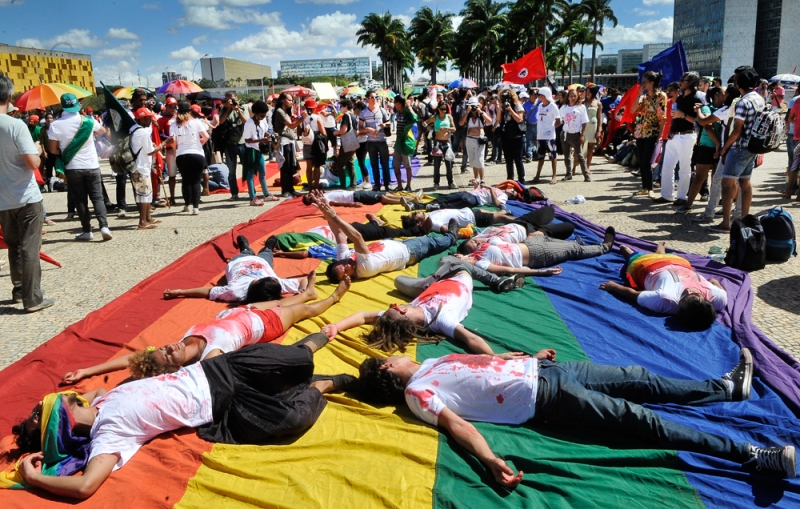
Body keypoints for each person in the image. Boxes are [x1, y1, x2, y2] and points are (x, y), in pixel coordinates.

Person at [357, 348, 795, 490]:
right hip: (547, 396)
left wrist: (524, 356)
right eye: (388, 356)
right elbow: (458, 425)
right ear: (387, 369)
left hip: (547, 369)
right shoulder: (417, 392)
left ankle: (724, 390)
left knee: (638, 378)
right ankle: (751, 455)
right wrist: (489, 461)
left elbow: (480, 362)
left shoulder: (432, 361)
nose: (396, 352)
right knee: (645, 422)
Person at [15, 334, 357, 500]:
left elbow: (93, 392)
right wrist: (35, 477)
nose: (42, 402)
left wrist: (86, 378)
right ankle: (328, 384)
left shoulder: (103, 399)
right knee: (290, 420)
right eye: (38, 413)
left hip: (219, 368)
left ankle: (324, 335)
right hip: (223, 404)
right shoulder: (109, 434)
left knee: (299, 360)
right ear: (58, 426)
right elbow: (85, 486)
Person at [64, 275, 349, 384]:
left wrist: (88, 370)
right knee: (303, 311)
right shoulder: (210, 356)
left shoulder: (178, 344)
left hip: (242, 312)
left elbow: (133, 358)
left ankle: (307, 292)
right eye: (170, 355)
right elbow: (221, 376)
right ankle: (334, 297)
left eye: (163, 348)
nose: (170, 347)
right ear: (174, 367)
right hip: (264, 325)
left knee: (281, 301)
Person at [323, 268, 511, 354]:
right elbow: (471, 339)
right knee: (458, 259)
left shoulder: (397, 317)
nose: (394, 304)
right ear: (403, 313)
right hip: (458, 273)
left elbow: (364, 316)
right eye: (395, 307)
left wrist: (336, 327)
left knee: (399, 281)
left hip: (431, 284)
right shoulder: (442, 319)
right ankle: (494, 279)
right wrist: (494, 358)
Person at [314, 194, 460, 282]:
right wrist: (334, 217)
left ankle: (435, 231)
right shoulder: (363, 268)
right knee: (432, 242)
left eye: (342, 264)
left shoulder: (344, 259)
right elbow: (357, 237)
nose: (347, 266)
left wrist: (326, 213)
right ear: (348, 277)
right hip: (408, 252)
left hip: (395, 244)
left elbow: (339, 234)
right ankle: (451, 237)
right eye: (345, 271)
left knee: (401, 234)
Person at [0, 75, 53, 312]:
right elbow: (32, 164)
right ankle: (33, 298)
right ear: (10, 96)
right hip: (25, 195)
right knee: (29, 247)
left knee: (13, 245)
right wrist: (38, 151)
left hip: (3, 199)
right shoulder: (15, 125)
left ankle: (19, 290)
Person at [599, 242, 726, 330]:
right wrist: (711, 282)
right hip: (679, 263)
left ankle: (630, 253)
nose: (689, 291)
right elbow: (714, 281)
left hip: (647, 264)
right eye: (697, 295)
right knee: (662, 255)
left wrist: (614, 287)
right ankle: (660, 251)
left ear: (680, 308)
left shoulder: (665, 299)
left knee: (632, 256)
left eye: (687, 296)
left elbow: (633, 295)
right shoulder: (718, 299)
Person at [163, 233, 313, 303]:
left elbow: (208, 291)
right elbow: (303, 280)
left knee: (246, 252)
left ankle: (246, 248)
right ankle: (268, 246)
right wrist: (303, 291)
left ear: (256, 284)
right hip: (263, 262)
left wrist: (180, 292)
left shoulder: (235, 291)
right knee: (267, 253)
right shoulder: (275, 285)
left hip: (239, 262)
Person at [48, 93, 111, 241]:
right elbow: (102, 131)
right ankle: (104, 227)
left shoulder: (55, 125)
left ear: (62, 106)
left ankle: (87, 231)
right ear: (77, 104)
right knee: (98, 198)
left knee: (81, 200)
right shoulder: (88, 121)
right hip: (92, 165)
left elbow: (53, 149)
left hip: (72, 166)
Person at [708, 68, 764, 233]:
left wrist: (725, 148)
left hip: (739, 147)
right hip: (753, 146)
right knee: (745, 183)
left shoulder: (742, 102)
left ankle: (726, 223)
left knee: (727, 184)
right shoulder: (759, 99)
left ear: (739, 84)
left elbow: (737, 129)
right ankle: (744, 220)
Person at [457, 226, 615, 275]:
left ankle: (580, 244)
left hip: (531, 243)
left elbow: (505, 237)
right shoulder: (480, 263)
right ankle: (605, 247)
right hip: (536, 255)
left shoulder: (484, 245)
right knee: (573, 249)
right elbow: (509, 270)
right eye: (471, 244)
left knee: (561, 240)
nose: (475, 242)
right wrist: (541, 272)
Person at [653, 72, 703, 205]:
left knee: (684, 168)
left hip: (687, 135)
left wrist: (684, 115)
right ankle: (667, 195)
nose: (681, 82)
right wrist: (671, 130)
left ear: (691, 83)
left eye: (684, 80)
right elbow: (675, 116)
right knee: (667, 166)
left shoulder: (696, 99)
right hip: (674, 135)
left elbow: (699, 121)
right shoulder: (680, 98)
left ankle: (682, 196)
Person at [682, 87, 725, 214]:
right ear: (717, 94)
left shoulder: (725, 108)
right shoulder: (707, 108)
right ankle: (688, 205)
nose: (726, 94)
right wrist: (718, 143)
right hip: (707, 146)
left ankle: (711, 206)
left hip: (721, 147)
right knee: (699, 177)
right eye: (724, 92)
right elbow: (707, 125)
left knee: (716, 179)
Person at [129, 108, 167, 229]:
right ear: (142, 118)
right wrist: (163, 144)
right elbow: (150, 151)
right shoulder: (142, 132)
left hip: (138, 166)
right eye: (149, 118)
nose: (151, 120)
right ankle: (142, 222)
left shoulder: (133, 129)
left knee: (146, 194)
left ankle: (148, 218)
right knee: (143, 195)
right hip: (141, 167)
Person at [631, 71, 667, 196]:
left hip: (652, 132)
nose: (642, 84)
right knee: (642, 161)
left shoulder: (661, 96)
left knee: (647, 161)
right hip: (640, 132)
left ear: (651, 83)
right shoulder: (644, 97)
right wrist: (638, 95)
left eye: (644, 82)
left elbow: (662, 118)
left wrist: (660, 136)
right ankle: (645, 187)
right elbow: (633, 110)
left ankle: (650, 188)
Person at [170, 101, 209, 215]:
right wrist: (200, 142)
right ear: (189, 111)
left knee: (186, 180)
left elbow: (173, 141)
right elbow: (206, 136)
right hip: (197, 153)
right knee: (196, 180)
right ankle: (196, 207)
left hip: (182, 154)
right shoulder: (196, 122)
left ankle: (187, 204)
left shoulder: (173, 124)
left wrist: (176, 149)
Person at [242, 100, 278, 207]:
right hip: (251, 150)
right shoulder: (249, 123)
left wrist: (269, 135)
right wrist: (261, 140)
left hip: (259, 150)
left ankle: (266, 194)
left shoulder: (263, 121)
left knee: (263, 172)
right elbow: (247, 140)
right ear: (256, 113)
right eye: (261, 115)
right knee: (250, 174)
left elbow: (265, 131)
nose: (263, 117)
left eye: (264, 115)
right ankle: (252, 197)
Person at [401, 181, 515, 211]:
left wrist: (490, 189)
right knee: (444, 199)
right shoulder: (498, 189)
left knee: (448, 205)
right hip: (469, 193)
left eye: (512, 192)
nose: (510, 190)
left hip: (474, 199)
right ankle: (415, 206)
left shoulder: (504, 196)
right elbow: (479, 191)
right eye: (512, 190)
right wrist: (476, 185)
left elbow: (497, 203)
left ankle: (420, 207)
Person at [271, 92, 303, 198]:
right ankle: (285, 190)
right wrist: (302, 119)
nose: (291, 102)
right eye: (289, 100)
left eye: (292, 100)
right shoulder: (279, 111)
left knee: (290, 167)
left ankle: (290, 189)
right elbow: (291, 126)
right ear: (282, 100)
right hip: (284, 142)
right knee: (285, 166)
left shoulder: (285, 111)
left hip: (289, 141)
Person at [359, 90, 391, 191]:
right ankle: (377, 185)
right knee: (374, 165)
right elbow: (360, 129)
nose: (374, 99)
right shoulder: (364, 113)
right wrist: (368, 129)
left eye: (376, 97)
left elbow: (389, 122)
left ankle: (387, 185)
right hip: (371, 142)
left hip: (382, 141)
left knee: (385, 164)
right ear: (367, 99)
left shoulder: (382, 110)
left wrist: (384, 125)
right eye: (372, 97)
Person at [401, 206, 516, 234]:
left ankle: (505, 210)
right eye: (415, 214)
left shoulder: (429, 215)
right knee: (502, 218)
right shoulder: (433, 223)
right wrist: (460, 233)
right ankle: (522, 221)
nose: (416, 211)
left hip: (467, 212)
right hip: (472, 218)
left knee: (495, 213)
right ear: (418, 223)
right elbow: (447, 230)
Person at [217, 91, 247, 200]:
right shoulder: (224, 109)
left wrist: (237, 109)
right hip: (229, 144)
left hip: (242, 142)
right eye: (227, 99)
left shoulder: (242, 108)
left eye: (232, 99)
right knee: (231, 171)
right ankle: (234, 193)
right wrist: (229, 108)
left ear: (236, 98)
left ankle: (251, 190)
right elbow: (221, 121)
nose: (230, 101)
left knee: (247, 168)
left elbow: (246, 121)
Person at [423, 100, 456, 189]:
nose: (443, 111)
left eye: (445, 109)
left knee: (449, 164)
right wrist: (428, 127)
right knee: (437, 165)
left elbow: (454, 129)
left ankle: (450, 182)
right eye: (442, 109)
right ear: (438, 109)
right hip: (437, 142)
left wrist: (447, 128)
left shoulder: (449, 117)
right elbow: (424, 122)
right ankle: (436, 183)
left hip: (447, 142)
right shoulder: (435, 117)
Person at [532, 88, 562, 185]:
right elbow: (539, 120)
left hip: (550, 136)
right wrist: (537, 133)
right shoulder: (540, 106)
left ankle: (554, 176)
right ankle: (537, 176)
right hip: (540, 136)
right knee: (540, 156)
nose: (538, 97)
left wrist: (551, 128)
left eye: (540, 95)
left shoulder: (553, 106)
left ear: (545, 95)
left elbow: (559, 121)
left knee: (552, 156)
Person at [559, 88, 590, 182]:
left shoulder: (581, 107)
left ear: (577, 97)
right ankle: (568, 174)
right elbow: (560, 120)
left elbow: (584, 122)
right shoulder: (564, 108)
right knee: (566, 155)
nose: (572, 98)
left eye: (574, 96)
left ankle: (586, 174)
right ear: (568, 97)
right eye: (571, 96)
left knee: (579, 155)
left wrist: (582, 135)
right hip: (565, 133)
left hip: (576, 134)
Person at [460, 97, 492, 183]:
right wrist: (467, 112)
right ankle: (476, 178)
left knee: (480, 159)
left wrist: (480, 112)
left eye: (475, 106)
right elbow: (461, 123)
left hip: (480, 139)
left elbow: (489, 121)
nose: (473, 108)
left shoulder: (481, 114)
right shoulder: (467, 115)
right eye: (472, 106)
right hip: (470, 139)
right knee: (473, 160)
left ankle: (482, 179)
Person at [497, 88, 526, 182]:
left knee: (518, 159)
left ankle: (521, 179)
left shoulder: (517, 105)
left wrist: (510, 109)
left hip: (517, 136)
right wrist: (499, 108)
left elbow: (519, 119)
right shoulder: (502, 107)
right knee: (508, 159)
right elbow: (498, 120)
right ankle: (510, 178)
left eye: (508, 97)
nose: (506, 100)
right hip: (506, 135)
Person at [392, 96, 418, 191]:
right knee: (395, 165)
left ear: (399, 103)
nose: (394, 104)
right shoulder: (399, 112)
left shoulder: (407, 111)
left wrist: (409, 107)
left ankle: (408, 186)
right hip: (399, 142)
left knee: (408, 166)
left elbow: (415, 117)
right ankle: (399, 185)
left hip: (407, 142)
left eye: (395, 102)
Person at [301, 98, 327, 190]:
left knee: (308, 166)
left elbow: (299, 132)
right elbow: (323, 133)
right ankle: (316, 187)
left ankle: (310, 187)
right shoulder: (317, 117)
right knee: (317, 166)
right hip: (316, 143)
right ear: (314, 108)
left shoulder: (302, 118)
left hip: (307, 143)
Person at [157, 97, 178, 205]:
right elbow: (161, 134)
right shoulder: (161, 120)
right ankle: (172, 197)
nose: (173, 108)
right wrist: (170, 138)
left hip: (181, 148)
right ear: (166, 107)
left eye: (174, 106)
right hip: (170, 149)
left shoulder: (179, 117)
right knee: (172, 174)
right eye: (170, 106)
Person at [333, 98, 358, 189]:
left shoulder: (346, 115)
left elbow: (344, 130)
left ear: (346, 106)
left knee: (340, 164)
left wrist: (336, 132)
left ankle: (343, 185)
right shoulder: (353, 115)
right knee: (350, 163)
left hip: (347, 143)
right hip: (354, 142)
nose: (340, 109)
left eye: (341, 107)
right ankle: (353, 184)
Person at [301, 189, 406, 207]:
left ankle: (408, 199)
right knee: (382, 198)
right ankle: (404, 201)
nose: (311, 195)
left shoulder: (324, 195)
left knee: (384, 194)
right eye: (310, 197)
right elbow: (336, 203)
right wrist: (351, 204)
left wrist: (315, 194)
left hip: (355, 193)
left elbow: (316, 190)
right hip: (355, 197)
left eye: (309, 194)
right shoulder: (323, 202)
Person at [582, 85, 603, 171]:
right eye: (586, 92)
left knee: (590, 148)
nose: (587, 94)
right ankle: (575, 166)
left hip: (593, 127)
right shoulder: (582, 103)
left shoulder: (598, 103)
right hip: (583, 127)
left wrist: (599, 130)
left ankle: (587, 167)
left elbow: (600, 118)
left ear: (593, 93)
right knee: (581, 147)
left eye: (589, 92)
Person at [522, 89, 539, 162]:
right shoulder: (525, 105)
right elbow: (523, 115)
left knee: (537, 141)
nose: (536, 96)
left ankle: (536, 154)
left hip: (538, 125)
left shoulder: (539, 102)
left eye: (537, 94)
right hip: (529, 125)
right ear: (530, 95)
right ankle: (529, 156)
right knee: (529, 140)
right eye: (534, 94)